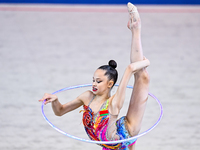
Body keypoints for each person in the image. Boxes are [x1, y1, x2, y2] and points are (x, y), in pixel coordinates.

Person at [39, 2, 150, 150]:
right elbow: (59, 112)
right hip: (108, 145)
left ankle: (136, 28)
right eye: (93, 80)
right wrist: (55, 100)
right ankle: (135, 30)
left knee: (142, 77)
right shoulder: (87, 97)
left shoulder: (113, 102)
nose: (94, 84)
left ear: (110, 84)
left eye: (99, 81)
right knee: (142, 76)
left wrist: (146, 62)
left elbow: (130, 69)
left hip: (124, 135)